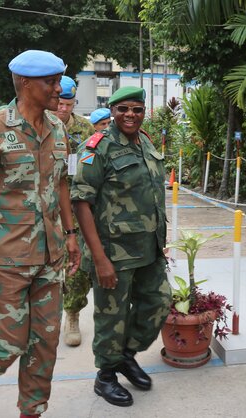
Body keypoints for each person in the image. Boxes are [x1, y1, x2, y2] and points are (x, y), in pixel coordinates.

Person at [0, 50, 80, 418]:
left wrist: (70, 235)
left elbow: (61, 186)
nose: (58, 89)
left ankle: (32, 411)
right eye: (50, 82)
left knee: (45, 345)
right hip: (5, 258)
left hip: (50, 256)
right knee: (11, 340)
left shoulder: (57, 129)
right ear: (25, 83)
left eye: (59, 81)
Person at [71, 86, 170, 407]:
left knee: (158, 303)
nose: (131, 115)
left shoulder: (146, 142)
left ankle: (126, 356)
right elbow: (81, 202)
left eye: (137, 109)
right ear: (112, 110)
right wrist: (99, 259)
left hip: (149, 249)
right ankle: (106, 376)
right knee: (111, 318)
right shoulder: (96, 147)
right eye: (124, 109)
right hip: (113, 253)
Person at [53, 75, 95, 348]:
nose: (64, 109)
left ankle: (72, 315)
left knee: (76, 269)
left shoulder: (87, 129)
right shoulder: (36, 125)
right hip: (44, 209)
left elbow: (92, 166)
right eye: (60, 103)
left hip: (76, 207)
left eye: (69, 104)